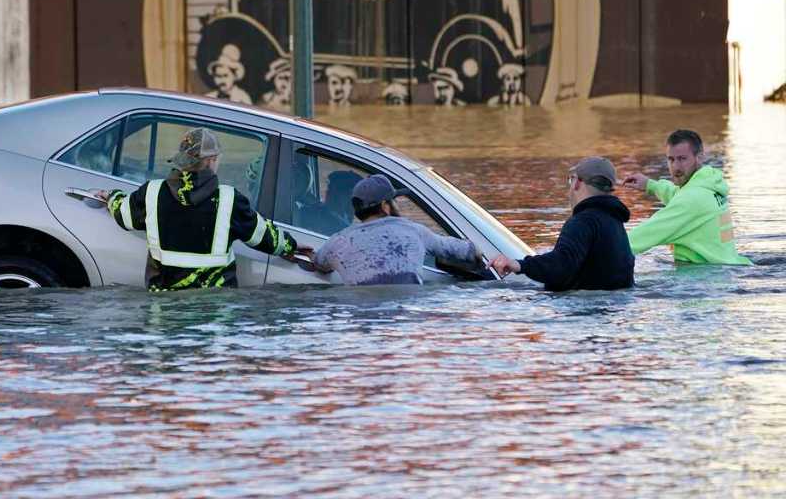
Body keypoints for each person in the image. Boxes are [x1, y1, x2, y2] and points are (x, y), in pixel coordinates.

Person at [99, 128, 304, 291]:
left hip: (164, 311)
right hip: (215, 315)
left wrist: (112, 197)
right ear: (211, 160)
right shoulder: (229, 200)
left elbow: (123, 214)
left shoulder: (151, 192)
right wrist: (292, 247)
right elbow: (266, 238)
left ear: (181, 159)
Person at [302, 174, 482, 285]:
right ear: (385, 206)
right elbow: (470, 251)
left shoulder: (338, 242)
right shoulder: (415, 232)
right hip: (406, 318)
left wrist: (306, 252)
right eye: (394, 200)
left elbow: (319, 264)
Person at [491, 157, 635, 291]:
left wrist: (520, 265)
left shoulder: (582, 222)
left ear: (577, 182)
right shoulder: (615, 223)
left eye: (570, 180)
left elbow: (561, 265)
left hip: (585, 313)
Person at [623, 129, 751, 265]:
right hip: (726, 271)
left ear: (699, 157)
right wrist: (651, 185)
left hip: (703, 278)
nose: (676, 167)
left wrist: (603, 248)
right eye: (671, 159)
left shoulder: (692, 199)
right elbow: (680, 196)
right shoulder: (710, 184)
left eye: (682, 159)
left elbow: (643, 236)